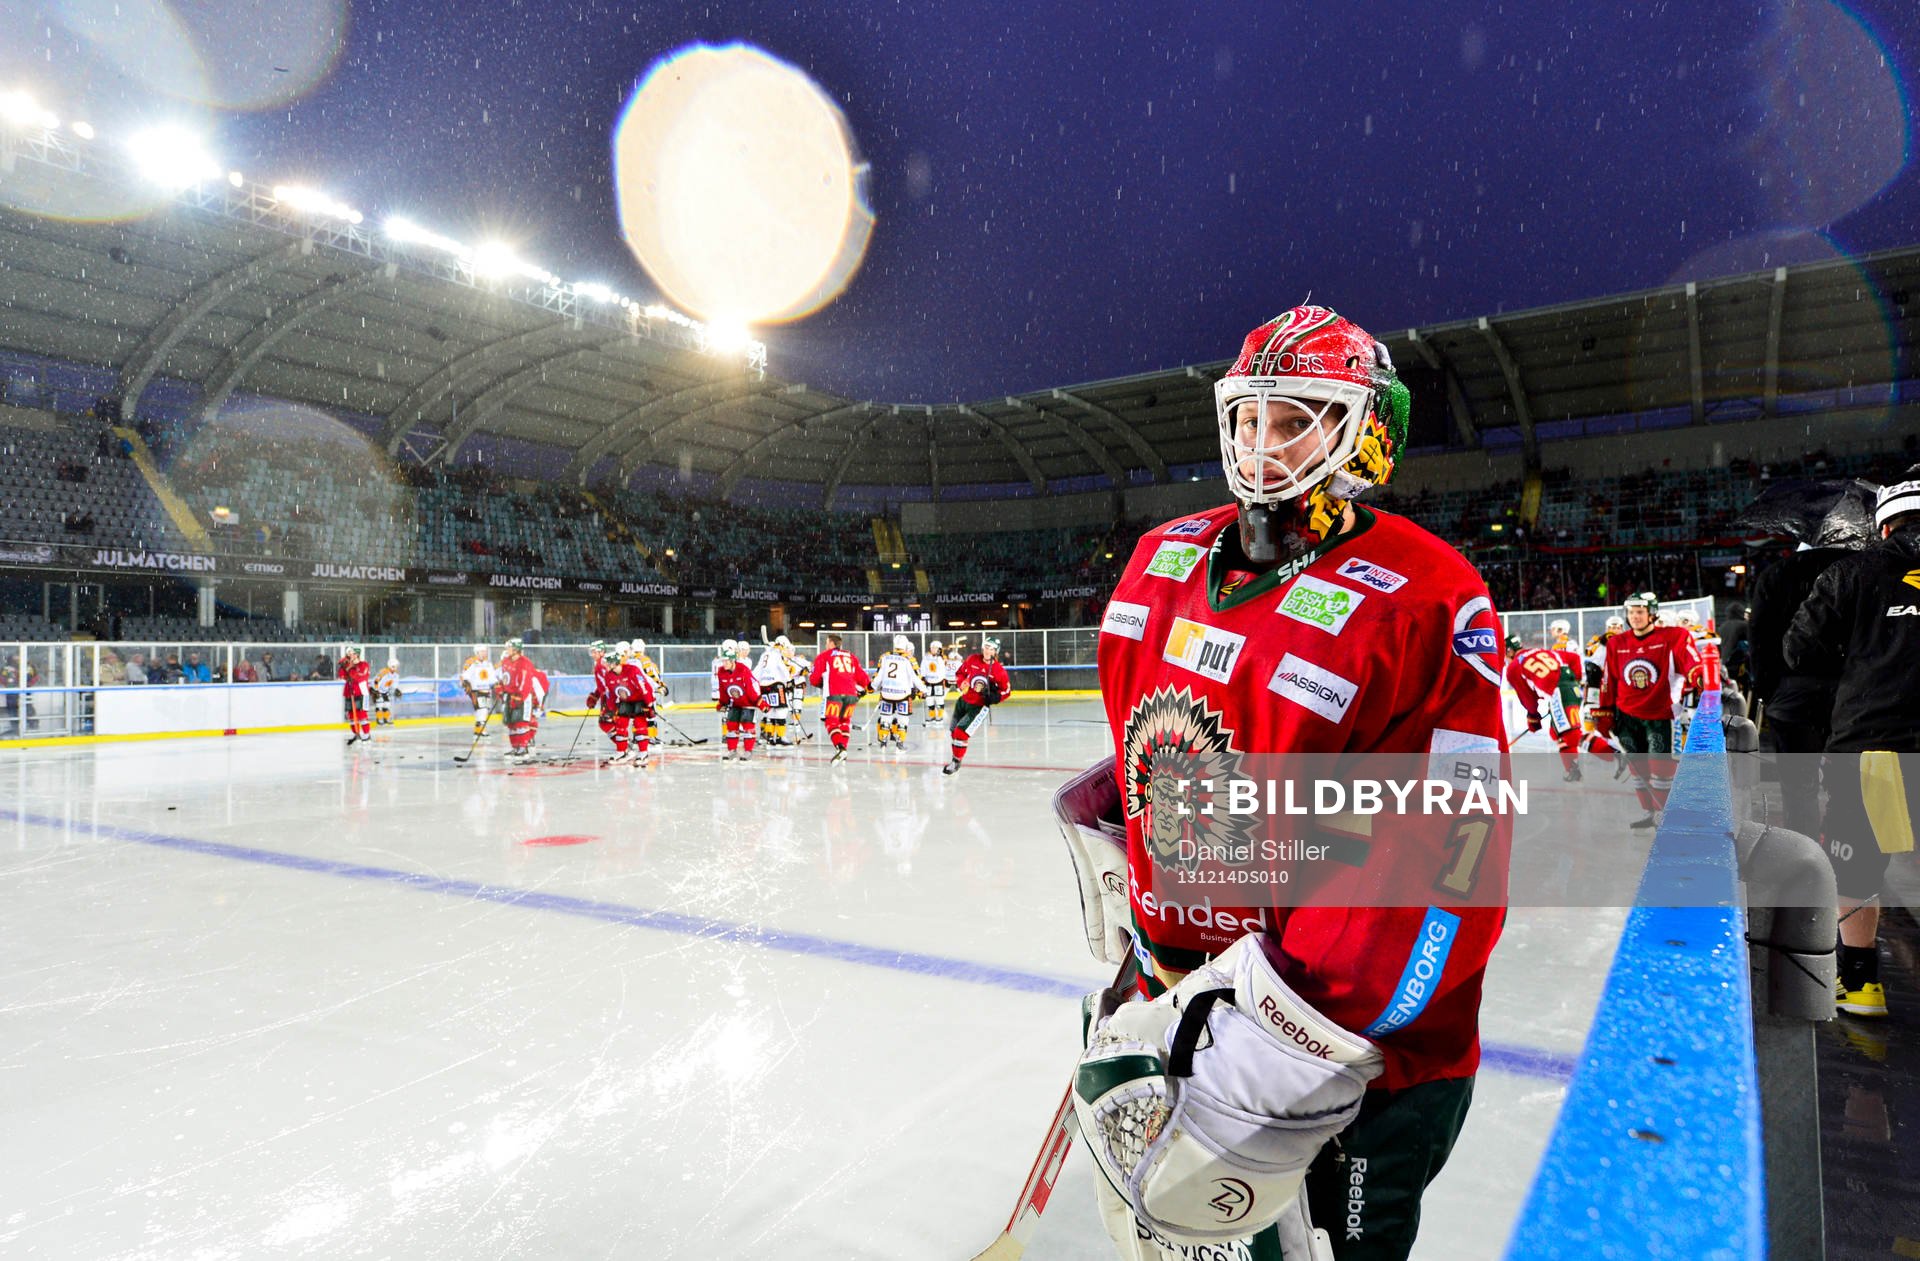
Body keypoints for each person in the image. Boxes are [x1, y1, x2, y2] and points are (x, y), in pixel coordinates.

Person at [1069, 305, 1509, 1259]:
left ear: (1364, 432)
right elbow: (1169, 743)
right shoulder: (1159, 562)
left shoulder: (1430, 595)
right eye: (1248, 417)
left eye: (1297, 416)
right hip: (1179, 1000)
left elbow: (1449, 851)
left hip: (1343, 1054)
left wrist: (1276, 1052)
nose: (1263, 445)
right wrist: (1132, 875)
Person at [1783, 466, 1920, 1018]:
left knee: (1860, 866)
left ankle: (1860, 983)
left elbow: (1800, 650)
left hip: (1875, 744)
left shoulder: (1852, 573)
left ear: (1882, 526)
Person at [1747, 542, 1850, 840]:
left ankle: (1803, 853)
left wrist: (1771, 691)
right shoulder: (1861, 569)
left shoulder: (1777, 574)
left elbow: (1759, 638)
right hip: (1850, 695)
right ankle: (1846, 852)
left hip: (1791, 696)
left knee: (1798, 786)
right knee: (1849, 782)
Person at [1592, 591, 1704, 830]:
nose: (1635, 617)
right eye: (1631, 612)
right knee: (1638, 769)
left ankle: (1668, 816)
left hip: (1660, 716)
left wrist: (1699, 675)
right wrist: (1604, 711)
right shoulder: (1616, 643)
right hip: (1626, 717)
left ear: (1652, 614)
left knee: (1661, 769)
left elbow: (1691, 660)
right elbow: (1608, 680)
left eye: (1640, 612)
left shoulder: (1673, 637)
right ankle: (1651, 814)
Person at [1504, 634, 1588, 781]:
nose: (1504, 659)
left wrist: (1533, 717)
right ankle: (1572, 770)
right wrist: (1575, 683)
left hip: (1559, 693)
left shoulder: (1513, 667)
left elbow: (1527, 698)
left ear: (1510, 651)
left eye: (1504, 654)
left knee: (1570, 734)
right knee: (1556, 732)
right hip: (1562, 692)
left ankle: (1613, 753)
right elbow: (1574, 659)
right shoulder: (1540, 651)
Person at [944, 638, 1010, 774]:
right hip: (963, 701)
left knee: (960, 733)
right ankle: (956, 757)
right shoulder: (972, 659)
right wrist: (961, 682)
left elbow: (1007, 691)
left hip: (979, 707)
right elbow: (960, 673)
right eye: (986, 647)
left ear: (996, 651)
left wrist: (996, 697)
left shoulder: (998, 670)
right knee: (953, 732)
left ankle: (956, 762)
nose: (988, 651)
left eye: (991, 649)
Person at [808, 633, 871, 764]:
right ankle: (844, 750)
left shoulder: (824, 656)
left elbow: (814, 679)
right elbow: (863, 678)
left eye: (826, 643)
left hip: (833, 694)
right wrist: (867, 688)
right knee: (845, 721)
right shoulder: (851, 656)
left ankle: (840, 748)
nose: (825, 645)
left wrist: (821, 683)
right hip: (851, 695)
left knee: (831, 722)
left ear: (831, 644)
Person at [497, 638, 548, 763]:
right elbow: (504, 678)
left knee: (521, 723)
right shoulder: (506, 661)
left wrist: (520, 697)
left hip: (522, 698)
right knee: (511, 723)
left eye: (509, 647)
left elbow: (525, 682)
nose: (507, 650)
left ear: (516, 649)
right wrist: (501, 689)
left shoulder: (525, 663)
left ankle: (523, 748)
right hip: (509, 696)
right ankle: (515, 747)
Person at [607, 640, 655, 766]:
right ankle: (621, 752)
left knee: (640, 725)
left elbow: (644, 686)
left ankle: (643, 753)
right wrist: (611, 708)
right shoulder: (609, 676)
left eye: (611, 663)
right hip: (625, 701)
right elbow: (611, 693)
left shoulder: (632, 670)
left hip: (639, 700)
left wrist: (649, 703)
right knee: (621, 725)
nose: (609, 666)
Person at [714, 642, 764, 761]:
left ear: (733, 661)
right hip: (735, 702)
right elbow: (723, 689)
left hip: (748, 702)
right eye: (723, 661)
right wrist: (722, 703)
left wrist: (759, 702)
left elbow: (752, 687)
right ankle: (732, 750)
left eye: (726, 661)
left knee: (748, 726)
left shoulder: (743, 669)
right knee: (731, 725)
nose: (724, 663)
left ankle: (748, 751)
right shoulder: (721, 671)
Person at [871, 634, 923, 749]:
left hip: (886, 693)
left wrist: (872, 687)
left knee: (885, 717)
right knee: (903, 719)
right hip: (903, 694)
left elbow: (878, 675)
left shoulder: (885, 657)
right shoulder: (909, 659)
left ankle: (883, 741)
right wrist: (923, 691)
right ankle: (899, 743)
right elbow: (916, 678)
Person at [755, 635, 795, 746]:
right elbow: (782, 668)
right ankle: (780, 737)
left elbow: (758, 670)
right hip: (776, 685)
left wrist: (754, 683)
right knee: (782, 710)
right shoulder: (777, 654)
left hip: (763, 686)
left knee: (770, 711)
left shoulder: (764, 654)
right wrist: (789, 681)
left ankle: (771, 737)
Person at [459, 644, 496, 738]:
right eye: (482, 651)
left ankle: (478, 730)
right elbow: (465, 675)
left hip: (486, 690)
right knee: (482, 709)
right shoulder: (472, 663)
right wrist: (466, 682)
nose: (485, 653)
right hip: (476, 690)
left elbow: (492, 677)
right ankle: (481, 730)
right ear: (477, 652)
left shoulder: (488, 663)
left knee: (484, 709)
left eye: (485, 651)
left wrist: (496, 683)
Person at [339, 647, 373, 745]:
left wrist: (350, 669)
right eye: (350, 654)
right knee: (351, 716)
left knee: (362, 715)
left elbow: (359, 677)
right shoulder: (348, 664)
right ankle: (356, 734)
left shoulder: (364, 664)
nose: (351, 655)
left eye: (353, 654)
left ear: (357, 654)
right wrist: (343, 667)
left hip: (361, 692)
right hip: (349, 692)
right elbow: (342, 676)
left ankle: (366, 736)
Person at [919, 638, 950, 726]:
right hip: (929, 682)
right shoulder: (926, 657)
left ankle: (939, 717)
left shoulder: (942, 658)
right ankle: (932, 716)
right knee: (929, 700)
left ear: (939, 649)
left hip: (938, 682)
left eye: (936, 648)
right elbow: (923, 667)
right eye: (932, 647)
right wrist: (923, 678)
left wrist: (939, 656)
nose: (933, 649)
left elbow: (943, 667)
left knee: (939, 699)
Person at [371, 656, 400, 725]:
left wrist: (396, 689)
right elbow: (376, 681)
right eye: (394, 666)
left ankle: (386, 718)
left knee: (387, 704)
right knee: (379, 704)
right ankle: (379, 719)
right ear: (390, 666)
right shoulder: (383, 672)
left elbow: (394, 683)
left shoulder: (395, 675)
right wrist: (375, 690)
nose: (395, 668)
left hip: (386, 690)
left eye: (396, 666)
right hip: (378, 690)